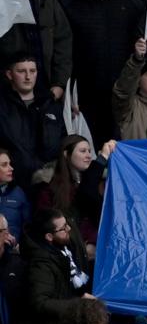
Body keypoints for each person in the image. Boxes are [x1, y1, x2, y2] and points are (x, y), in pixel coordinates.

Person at [60, 0, 145, 144]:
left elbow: (142, 47)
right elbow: (62, 51)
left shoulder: (130, 2)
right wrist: (68, 94)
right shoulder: (68, 3)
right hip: (83, 99)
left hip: (123, 97)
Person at [0, 0, 73, 99]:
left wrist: (59, 84)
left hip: (46, 91)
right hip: (8, 94)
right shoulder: (2, 2)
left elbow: (63, 42)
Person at [20, 209, 93, 324]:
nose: (69, 230)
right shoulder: (40, 265)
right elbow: (40, 303)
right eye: (63, 228)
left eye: (67, 224)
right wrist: (78, 304)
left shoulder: (64, 248)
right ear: (49, 237)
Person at [32, 136, 112, 253]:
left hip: (96, 250)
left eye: (89, 151)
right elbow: (44, 223)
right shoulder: (48, 187)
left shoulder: (98, 182)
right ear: (66, 154)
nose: (89, 155)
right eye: (83, 151)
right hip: (65, 251)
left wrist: (92, 242)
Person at [0, 53, 65, 189]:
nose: (28, 77)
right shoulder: (2, 107)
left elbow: (64, 143)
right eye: (21, 71)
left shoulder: (51, 105)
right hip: (11, 185)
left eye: (32, 71)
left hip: (48, 186)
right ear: (9, 74)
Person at [0, 150, 30, 245]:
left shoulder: (18, 193)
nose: (11, 168)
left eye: (10, 164)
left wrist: (20, 246)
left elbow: (28, 226)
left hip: (13, 252)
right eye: (4, 165)